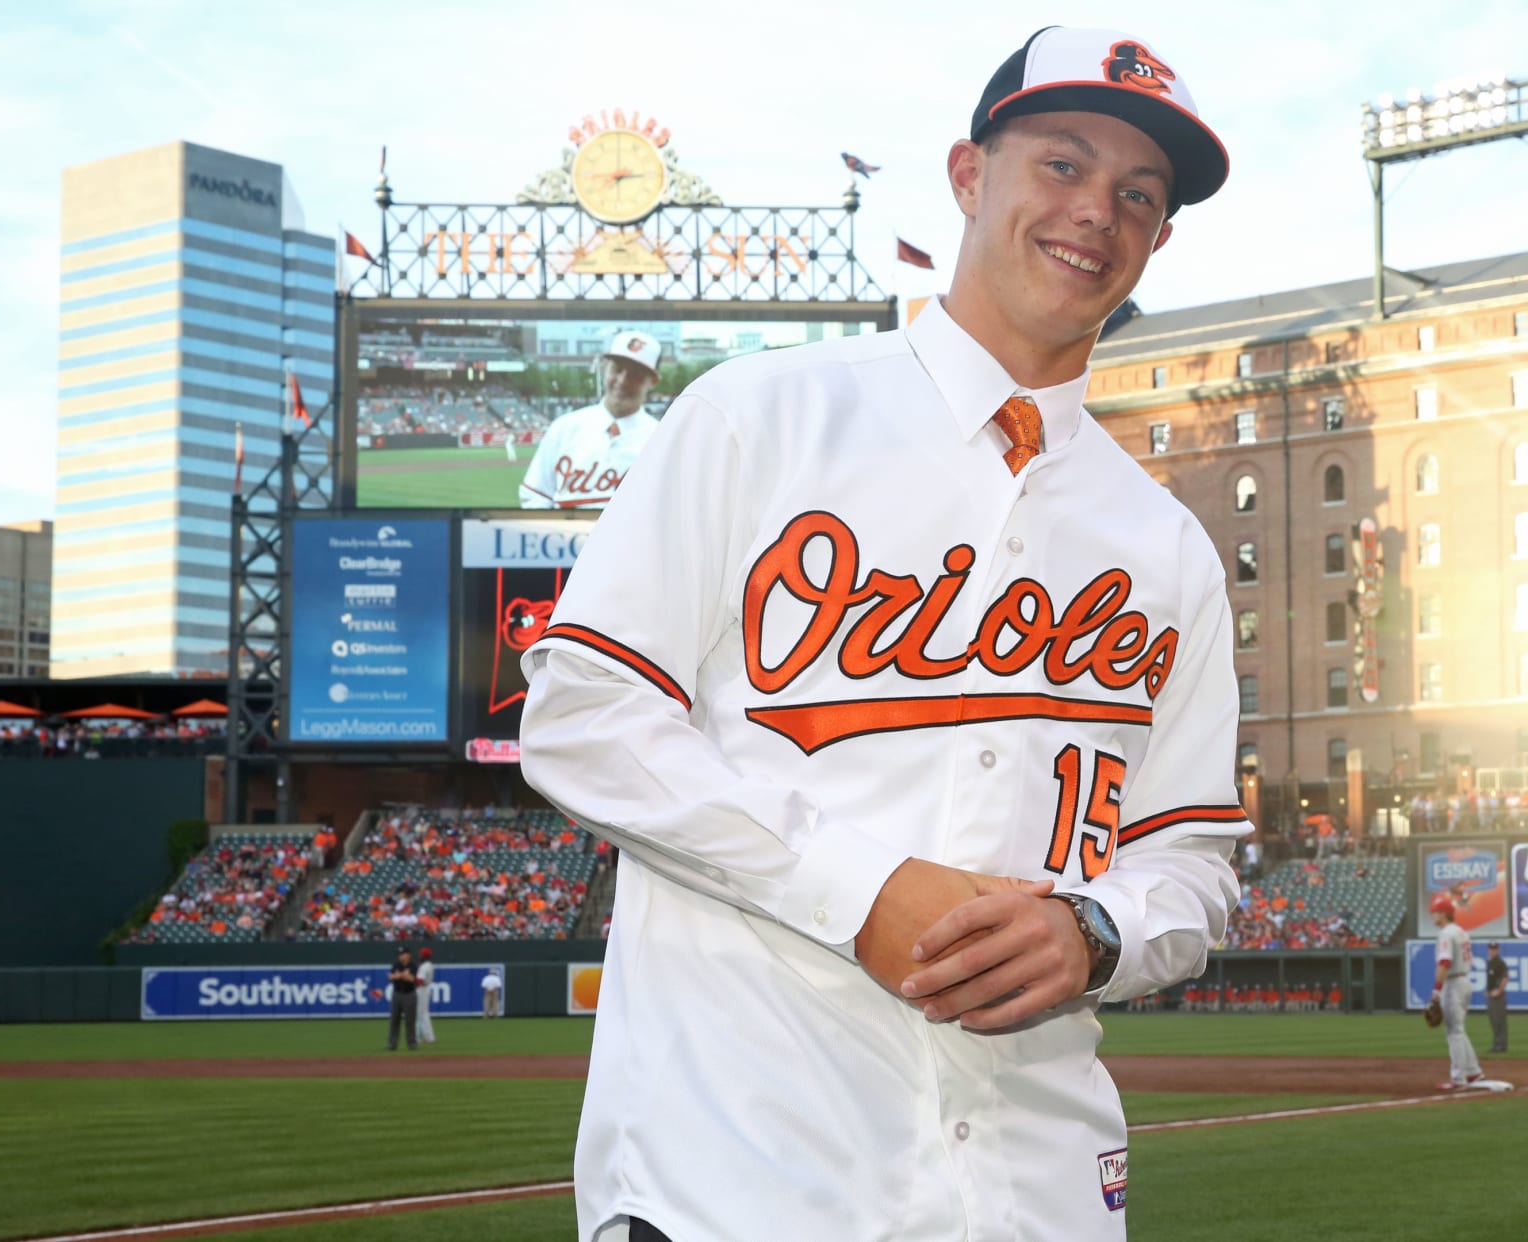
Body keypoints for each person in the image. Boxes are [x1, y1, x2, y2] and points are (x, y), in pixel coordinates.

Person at [518, 26, 1237, 1242]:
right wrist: (861, 891)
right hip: (739, 1177)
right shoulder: (761, 417)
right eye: (1061, 165)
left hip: (1037, 1188)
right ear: (969, 176)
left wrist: (1098, 931)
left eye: (1138, 195)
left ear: (1158, 240)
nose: (1096, 214)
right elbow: (588, 718)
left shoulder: (1163, 545)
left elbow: (1192, 868)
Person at [519, 331, 665, 509]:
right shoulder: (564, 428)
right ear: (605, 368)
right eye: (617, 369)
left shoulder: (663, 441)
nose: (622, 380)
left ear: (653, 381)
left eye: (635, 374)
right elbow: (534, 495)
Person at [1427, 898, 1482, 1089]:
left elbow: (1444, 962)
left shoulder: (1446, 933)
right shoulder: (1461, 931)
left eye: (1434, 911)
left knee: (1454, 1032)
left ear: (1443, 913)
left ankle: (1458, 1078)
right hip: (1464, 980)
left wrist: (1436, 990)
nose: (1432, 915)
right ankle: (1473, 1071)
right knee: (1458, 1029)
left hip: (1453, 983)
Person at [384, 949, 420, 1051]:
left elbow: (413, 979)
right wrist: (402, 975)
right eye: (399, 954)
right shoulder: (396, 965)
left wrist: (399, 975)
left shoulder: (413, 965)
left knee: (410, 1021)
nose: (400, 956)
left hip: (409, 994)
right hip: (397, 993)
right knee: (394, 1020)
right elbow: (390, 977)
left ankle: (412, 1044)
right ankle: (392, 1044)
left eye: (402, 954)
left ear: (408, 955)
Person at [1485, 941, 1509, 1054]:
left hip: (1498, 996)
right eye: (1490, 949)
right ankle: (1496, 1044)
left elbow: (1505, 978)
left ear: (1498, 950)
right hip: (1490, 995)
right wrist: (1488, 992)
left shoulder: (1500, 963)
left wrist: (1499, 990)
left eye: (1494, 949)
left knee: (1499, 1020)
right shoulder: (1490, 962)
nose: (1492, 951)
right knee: (1493, 1021)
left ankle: (1501, 1045)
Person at [414, 947, 437, 1045]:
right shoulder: (429, 965)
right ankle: (418, 1037)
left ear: (424, 956)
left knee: (422, 1014)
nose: (419, 955)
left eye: (421, 954)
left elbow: (419, 981)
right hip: (424, 989)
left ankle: (429, 1037)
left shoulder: (424, 967)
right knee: (420, 1014)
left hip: (422, 990)